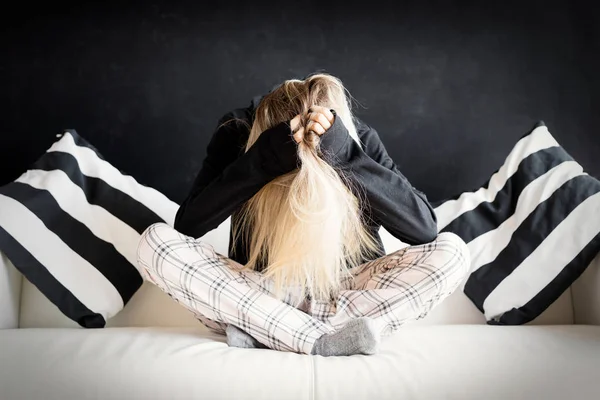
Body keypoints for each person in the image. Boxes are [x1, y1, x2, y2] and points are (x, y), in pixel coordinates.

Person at [136, 73, 470, 357]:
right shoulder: (237, 131)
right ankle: (324, 338)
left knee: (453, 252)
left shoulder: (358, 138)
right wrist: (265, 159)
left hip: (344, 293)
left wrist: (345, 157)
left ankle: (273, 331)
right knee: (155, 243)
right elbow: (188, 225)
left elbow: (425, 228)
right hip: (260, 290)